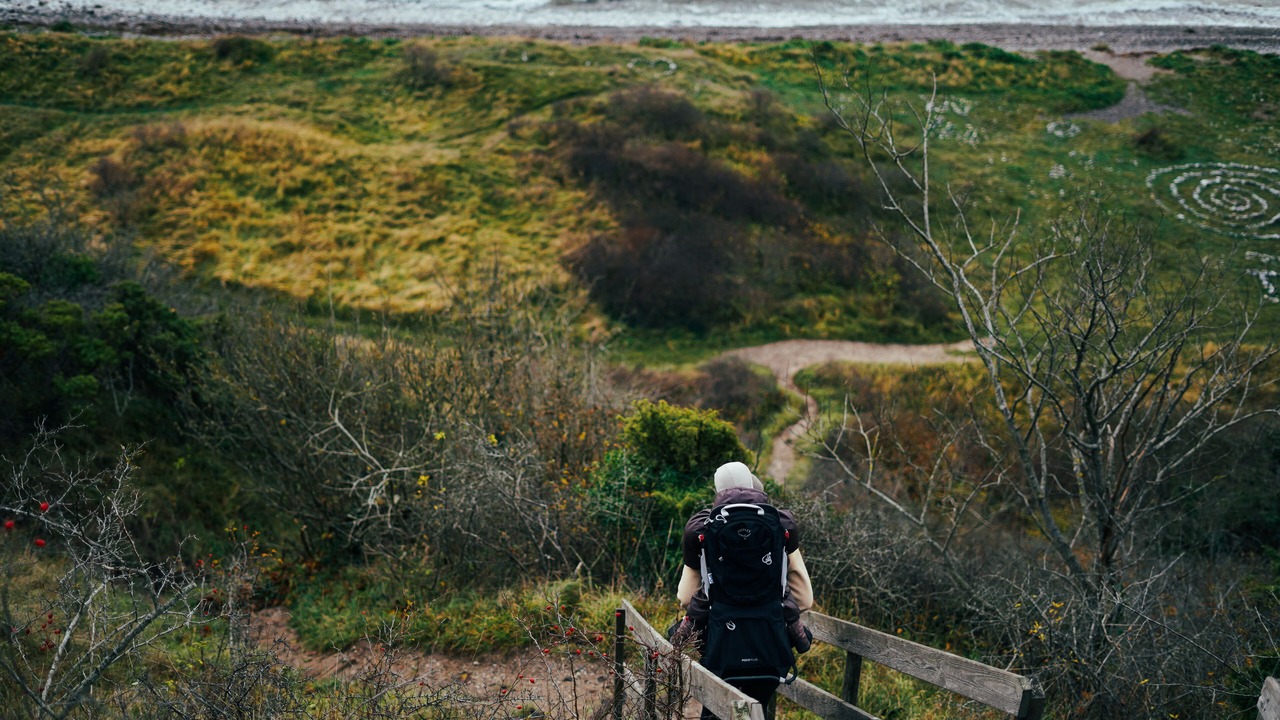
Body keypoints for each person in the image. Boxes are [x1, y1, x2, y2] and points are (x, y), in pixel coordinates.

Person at [671, 461, 814, 716]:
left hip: (722, 646)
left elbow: (684, 598)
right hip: (769, 645)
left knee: (721, 711)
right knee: (750, 710)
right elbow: (804, 599)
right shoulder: (779, 525)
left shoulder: (701, 529)